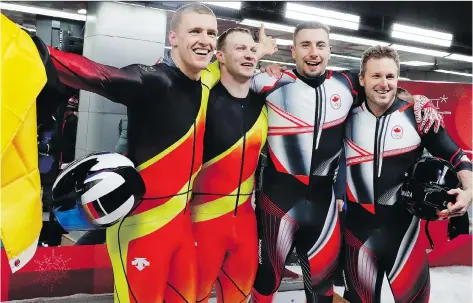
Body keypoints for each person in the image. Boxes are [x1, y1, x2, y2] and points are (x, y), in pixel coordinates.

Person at [249, 22, 443, 303]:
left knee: (321, 289)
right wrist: (257, 55)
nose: (313, 52)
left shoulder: (348, 83)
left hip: (322, 209)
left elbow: (384, 89)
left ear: (330, 50)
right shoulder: (269, 82)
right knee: (266, 282)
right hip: (276, 204)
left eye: (320, 45)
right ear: (292, 50)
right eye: (305, 45)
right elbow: (227, 77)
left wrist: (418, 100)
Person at [40, 3, 220, 302]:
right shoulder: (153, 79)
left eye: (211, 33)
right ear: (173, 37)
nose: (205, 39)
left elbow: (231, 61)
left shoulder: (205, 80)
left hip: (181, 228)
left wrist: (259, 49)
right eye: (195, 31)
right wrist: (38, 52)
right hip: (141, 229)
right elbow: (100, 75)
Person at [342, 45, 472, 303]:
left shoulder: (416, 115)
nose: (384, 83)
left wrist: (468, 192)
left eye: (390, 76)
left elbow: (458, 157)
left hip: (405, 238)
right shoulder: (344, 114)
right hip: (358, 237)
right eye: (376, 76)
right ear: (362, 79)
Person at [190, 27, 268, 303]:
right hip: (202, 222)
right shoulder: (202, 98)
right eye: (240, 48)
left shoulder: (265, 104)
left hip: (246, 225)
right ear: (220, 56)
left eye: (252, 49)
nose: (248, 54)